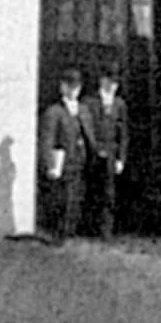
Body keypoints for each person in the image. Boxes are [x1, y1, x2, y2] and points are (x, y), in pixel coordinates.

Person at [38, 69, 92, 244]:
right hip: (63, 161)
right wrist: (50, 164)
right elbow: (47, 139)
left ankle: (72, 232)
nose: (73, 91)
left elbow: (89, 134)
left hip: (80, 160)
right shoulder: (54, 112)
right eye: (69, 87)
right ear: (62, 87)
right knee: (63, 199)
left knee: (77, 197)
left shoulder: (83, 109)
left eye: (76, 87)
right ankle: (60, 234)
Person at [83, 69, 130, 239]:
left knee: (109, 194)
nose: (113, 86)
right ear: (102, 82)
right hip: (93, 153)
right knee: (92, 191)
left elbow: (123, 134)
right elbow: (87, 129)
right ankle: (90, 228)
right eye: (110, 82)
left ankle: (106, 231)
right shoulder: (89, 102)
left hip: (111, 154)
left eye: (116, 84)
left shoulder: (119, 104)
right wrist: (95, 149)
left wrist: (121, 158)